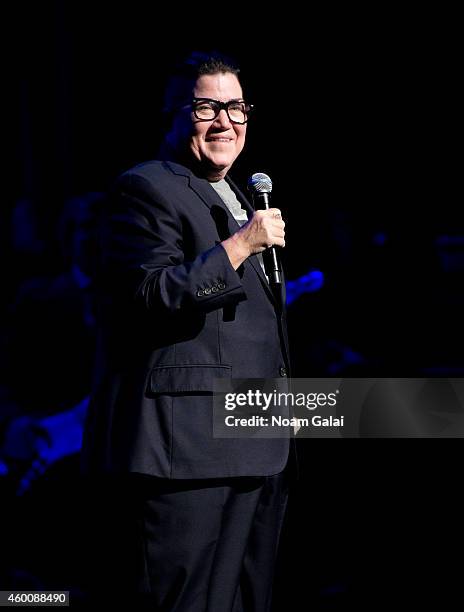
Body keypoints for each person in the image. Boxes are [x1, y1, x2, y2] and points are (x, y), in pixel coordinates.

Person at [81, 51, 292, 611]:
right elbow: (148, 296)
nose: (225, 120)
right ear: (174, 114)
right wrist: (242, 244)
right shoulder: (145, 187)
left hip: (253, 439)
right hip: (187, 450)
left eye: (236, 106)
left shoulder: (242, 194)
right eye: (207, 106)